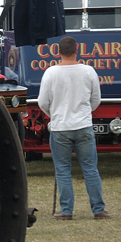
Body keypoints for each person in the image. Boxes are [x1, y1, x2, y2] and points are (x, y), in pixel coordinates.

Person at [38, 35, 109, 220]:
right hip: (83, 125)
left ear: (58, 52)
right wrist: (84, 112)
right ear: (77, 51)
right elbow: (96, 99)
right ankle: (98, 209)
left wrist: (54, 113)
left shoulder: (50, 73)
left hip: (60, 126)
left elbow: (42, 101)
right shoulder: (88, 71)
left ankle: (66, 210)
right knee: (90, 168)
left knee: (62, 169)